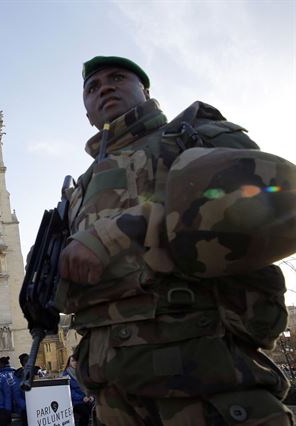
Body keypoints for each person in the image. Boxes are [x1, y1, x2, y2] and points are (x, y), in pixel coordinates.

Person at [57, 55, 293, 424]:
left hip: (207, 388)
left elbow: (274, 197)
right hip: (114, 399)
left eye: (116, 78)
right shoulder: (79, 191)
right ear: (87, 112)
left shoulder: (192, 134)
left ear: (145, 91)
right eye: (92, 87)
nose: (103, 87)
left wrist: (118, 234)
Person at [61, 356, 92, 426]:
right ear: (69, 363)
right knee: (85, 414)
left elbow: (87, 386)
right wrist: (82, 398)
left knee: (96, 410)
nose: (75, 362)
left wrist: (90, 395)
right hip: (74, 401)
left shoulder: (81, 372)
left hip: (85, 398)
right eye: (72, 361)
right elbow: (69, 390)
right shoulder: (66, 374)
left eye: (76, 360)